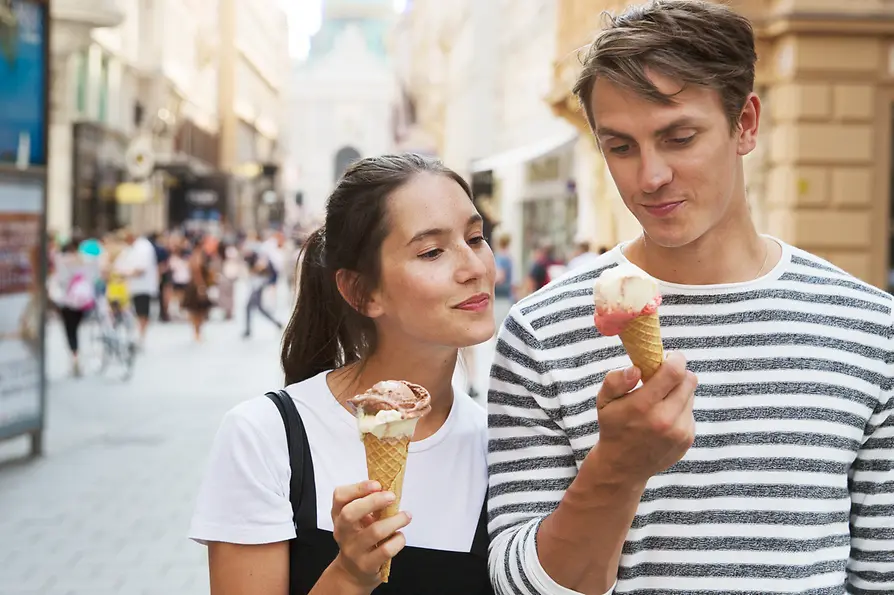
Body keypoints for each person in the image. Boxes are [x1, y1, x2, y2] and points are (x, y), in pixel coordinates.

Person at [486, 2, 894, 594]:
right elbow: (516, 586)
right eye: (621, 147)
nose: (650, 177)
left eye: (679, 138)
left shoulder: (869, 329)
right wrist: (616, 469)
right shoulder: (541, 332)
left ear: (746, 124)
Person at [189, 154, 496, 594]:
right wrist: (349, 576)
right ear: (360, 291)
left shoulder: (501, 447)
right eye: (432, 251)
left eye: (476, 237)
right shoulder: (267, 436)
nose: (474, 267)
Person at [51, 236, 96, 377]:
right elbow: (94, 278)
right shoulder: (87, 261)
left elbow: (60, 280)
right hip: (84, 301)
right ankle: (76, 356)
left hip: (67, 300)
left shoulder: (63, 261)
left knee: (70, 330)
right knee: (76, 328)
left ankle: (74, 356)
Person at [119, 230, 158, 342]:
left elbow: (141, 269)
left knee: (142, 311)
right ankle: (139, 332)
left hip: (142, 286)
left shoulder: (143, 247)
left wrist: (125, 273)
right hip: (134, 286)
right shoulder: (132, 248)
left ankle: (141, 334)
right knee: (137, 311)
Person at [181, 240, 213, 342]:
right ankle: (197, 331)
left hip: (193, 285)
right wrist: (201, 286)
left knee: (196, 310)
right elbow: (197, 272)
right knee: (198, 310)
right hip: (196, 287)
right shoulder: (198, 257)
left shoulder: (193, 257)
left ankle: (197, 331)